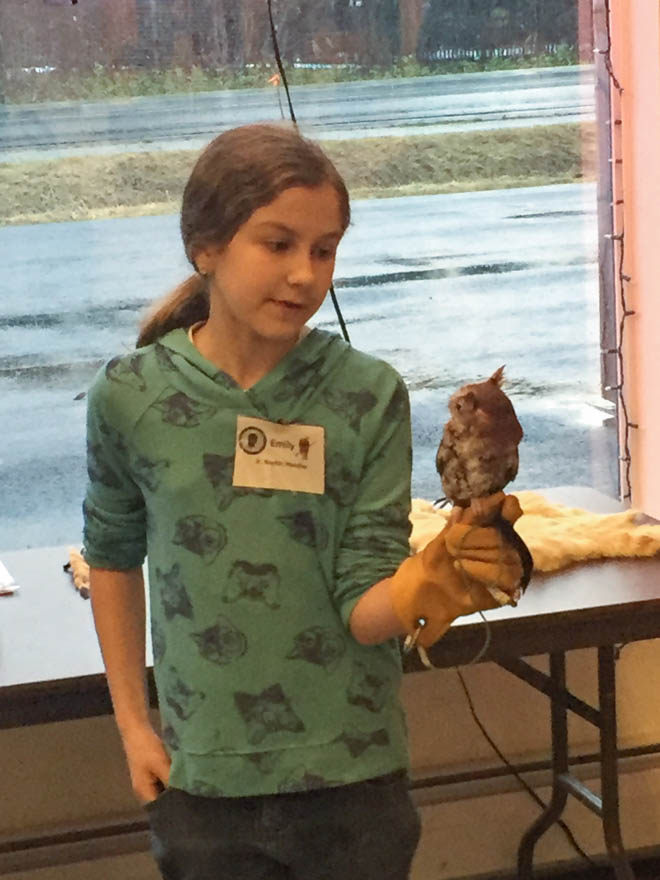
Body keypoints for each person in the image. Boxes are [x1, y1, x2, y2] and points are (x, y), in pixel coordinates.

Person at [83, 122, 524, 880]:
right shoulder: (131, 395)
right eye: (277, 243)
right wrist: (133, 725)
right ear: (206, 247)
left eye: (325, 250)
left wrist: (433, 578)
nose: (305, 274)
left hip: (353, 777)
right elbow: (113, 558)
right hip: (203, 776)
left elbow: (362, 603)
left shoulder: (366, 394)